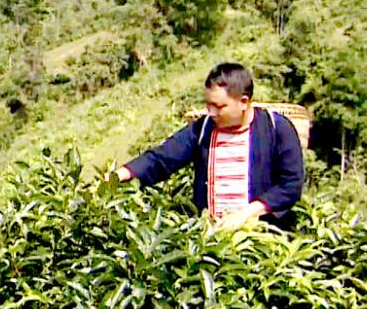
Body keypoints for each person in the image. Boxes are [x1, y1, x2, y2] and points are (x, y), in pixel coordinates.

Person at [115, 63, 304, 230]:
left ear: (243, 102)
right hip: (213, 238)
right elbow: (162, 158)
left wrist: (247, 213)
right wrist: (119, 176)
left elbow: (290, 185)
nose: (211, 112)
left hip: (261, 239)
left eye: (219, 106)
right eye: (208, 105)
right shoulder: (203, 129)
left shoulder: (276, 128)